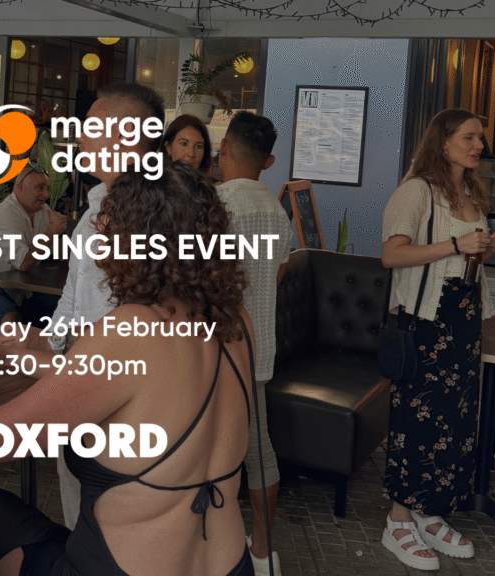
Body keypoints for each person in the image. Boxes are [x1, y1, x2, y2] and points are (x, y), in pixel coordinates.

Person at [0, 162, 255, 576]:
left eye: (110, 219)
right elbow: (127, 386)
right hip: (231, 566)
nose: (98, 228)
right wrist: (13, 356)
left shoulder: (132, 328)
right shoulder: (236, 321)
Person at [0, 82, 165, 531]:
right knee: (78, 503)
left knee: (111, 516)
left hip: (120, 400)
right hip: (84, 383)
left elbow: (122, 346)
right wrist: (35, 342)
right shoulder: (94, 211)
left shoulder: (148, 223)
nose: (79, 135)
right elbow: (72, 308)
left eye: (91, 126)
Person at [380, 108, 495, 570]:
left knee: (455, 422)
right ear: (444, 141)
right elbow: (391, 255)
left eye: (480, 138)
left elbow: (463, 258)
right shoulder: (416, 191)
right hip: (425, 323)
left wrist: (484, 247)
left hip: (464, 319)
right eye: (470, 137)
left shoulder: (470, 191)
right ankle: (398, 520)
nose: (479, 145)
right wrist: (458, 244)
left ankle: (428, 511)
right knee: (417, 422)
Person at [215, 110, 290, 576]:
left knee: (208, 450)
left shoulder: (216, 205)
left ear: (223, 148)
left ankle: (212, 547)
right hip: (257, 351)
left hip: (214, 350)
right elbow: (276, 277)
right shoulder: (278, 212)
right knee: (259, 452)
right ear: (269, 161)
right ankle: (263, 549)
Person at [0, 163, 66, 324]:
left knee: (63, 311)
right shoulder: (6, 215)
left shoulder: (42, 210)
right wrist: (51, 232)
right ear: (20, 188)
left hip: (23, 289)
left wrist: (61, 233)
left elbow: (60, 253)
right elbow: (23, 263)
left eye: (46, 188)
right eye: (40, 188)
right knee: (11, 320)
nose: (46, 194)